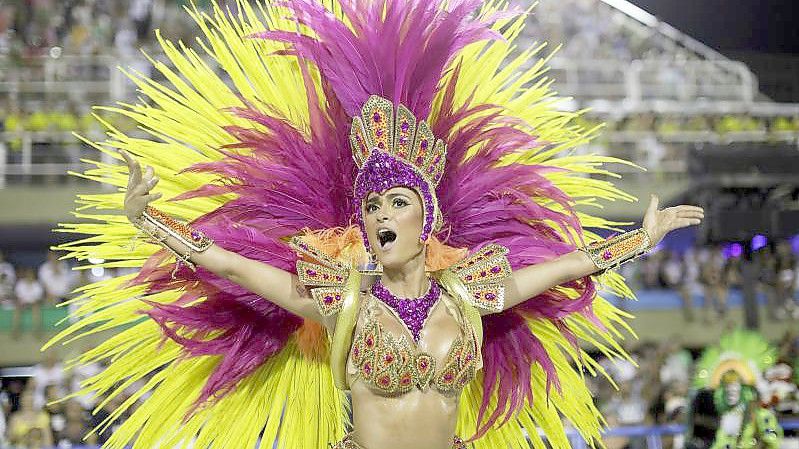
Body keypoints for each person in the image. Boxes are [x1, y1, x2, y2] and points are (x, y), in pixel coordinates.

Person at [46, 1, 704, 448]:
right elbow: (227, 263)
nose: (381, 214)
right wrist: (149, 221)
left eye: (397, 202)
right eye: (371, 206)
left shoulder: (469, 292)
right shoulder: (344, 300)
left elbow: (566, 265)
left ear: (429, 216)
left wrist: (639, 240)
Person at [693, 330, 783, 449]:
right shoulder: (725, 420)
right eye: (726, 388)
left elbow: (771, 441)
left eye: (735, 388)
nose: (731, 392)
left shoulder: (763, 417)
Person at [12, 267, 44, 335]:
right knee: (17, 308)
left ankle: (37, 330)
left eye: (31, 275)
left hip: (33, 303)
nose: (29, 276)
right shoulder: (20, 283)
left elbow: (38, 298)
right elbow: (18, 296)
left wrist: (33, 302)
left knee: (36, 308)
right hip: (23, 303)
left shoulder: (37, 284)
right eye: (28, 275)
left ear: (33, 276)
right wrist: (21, 302)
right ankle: (16, 330)